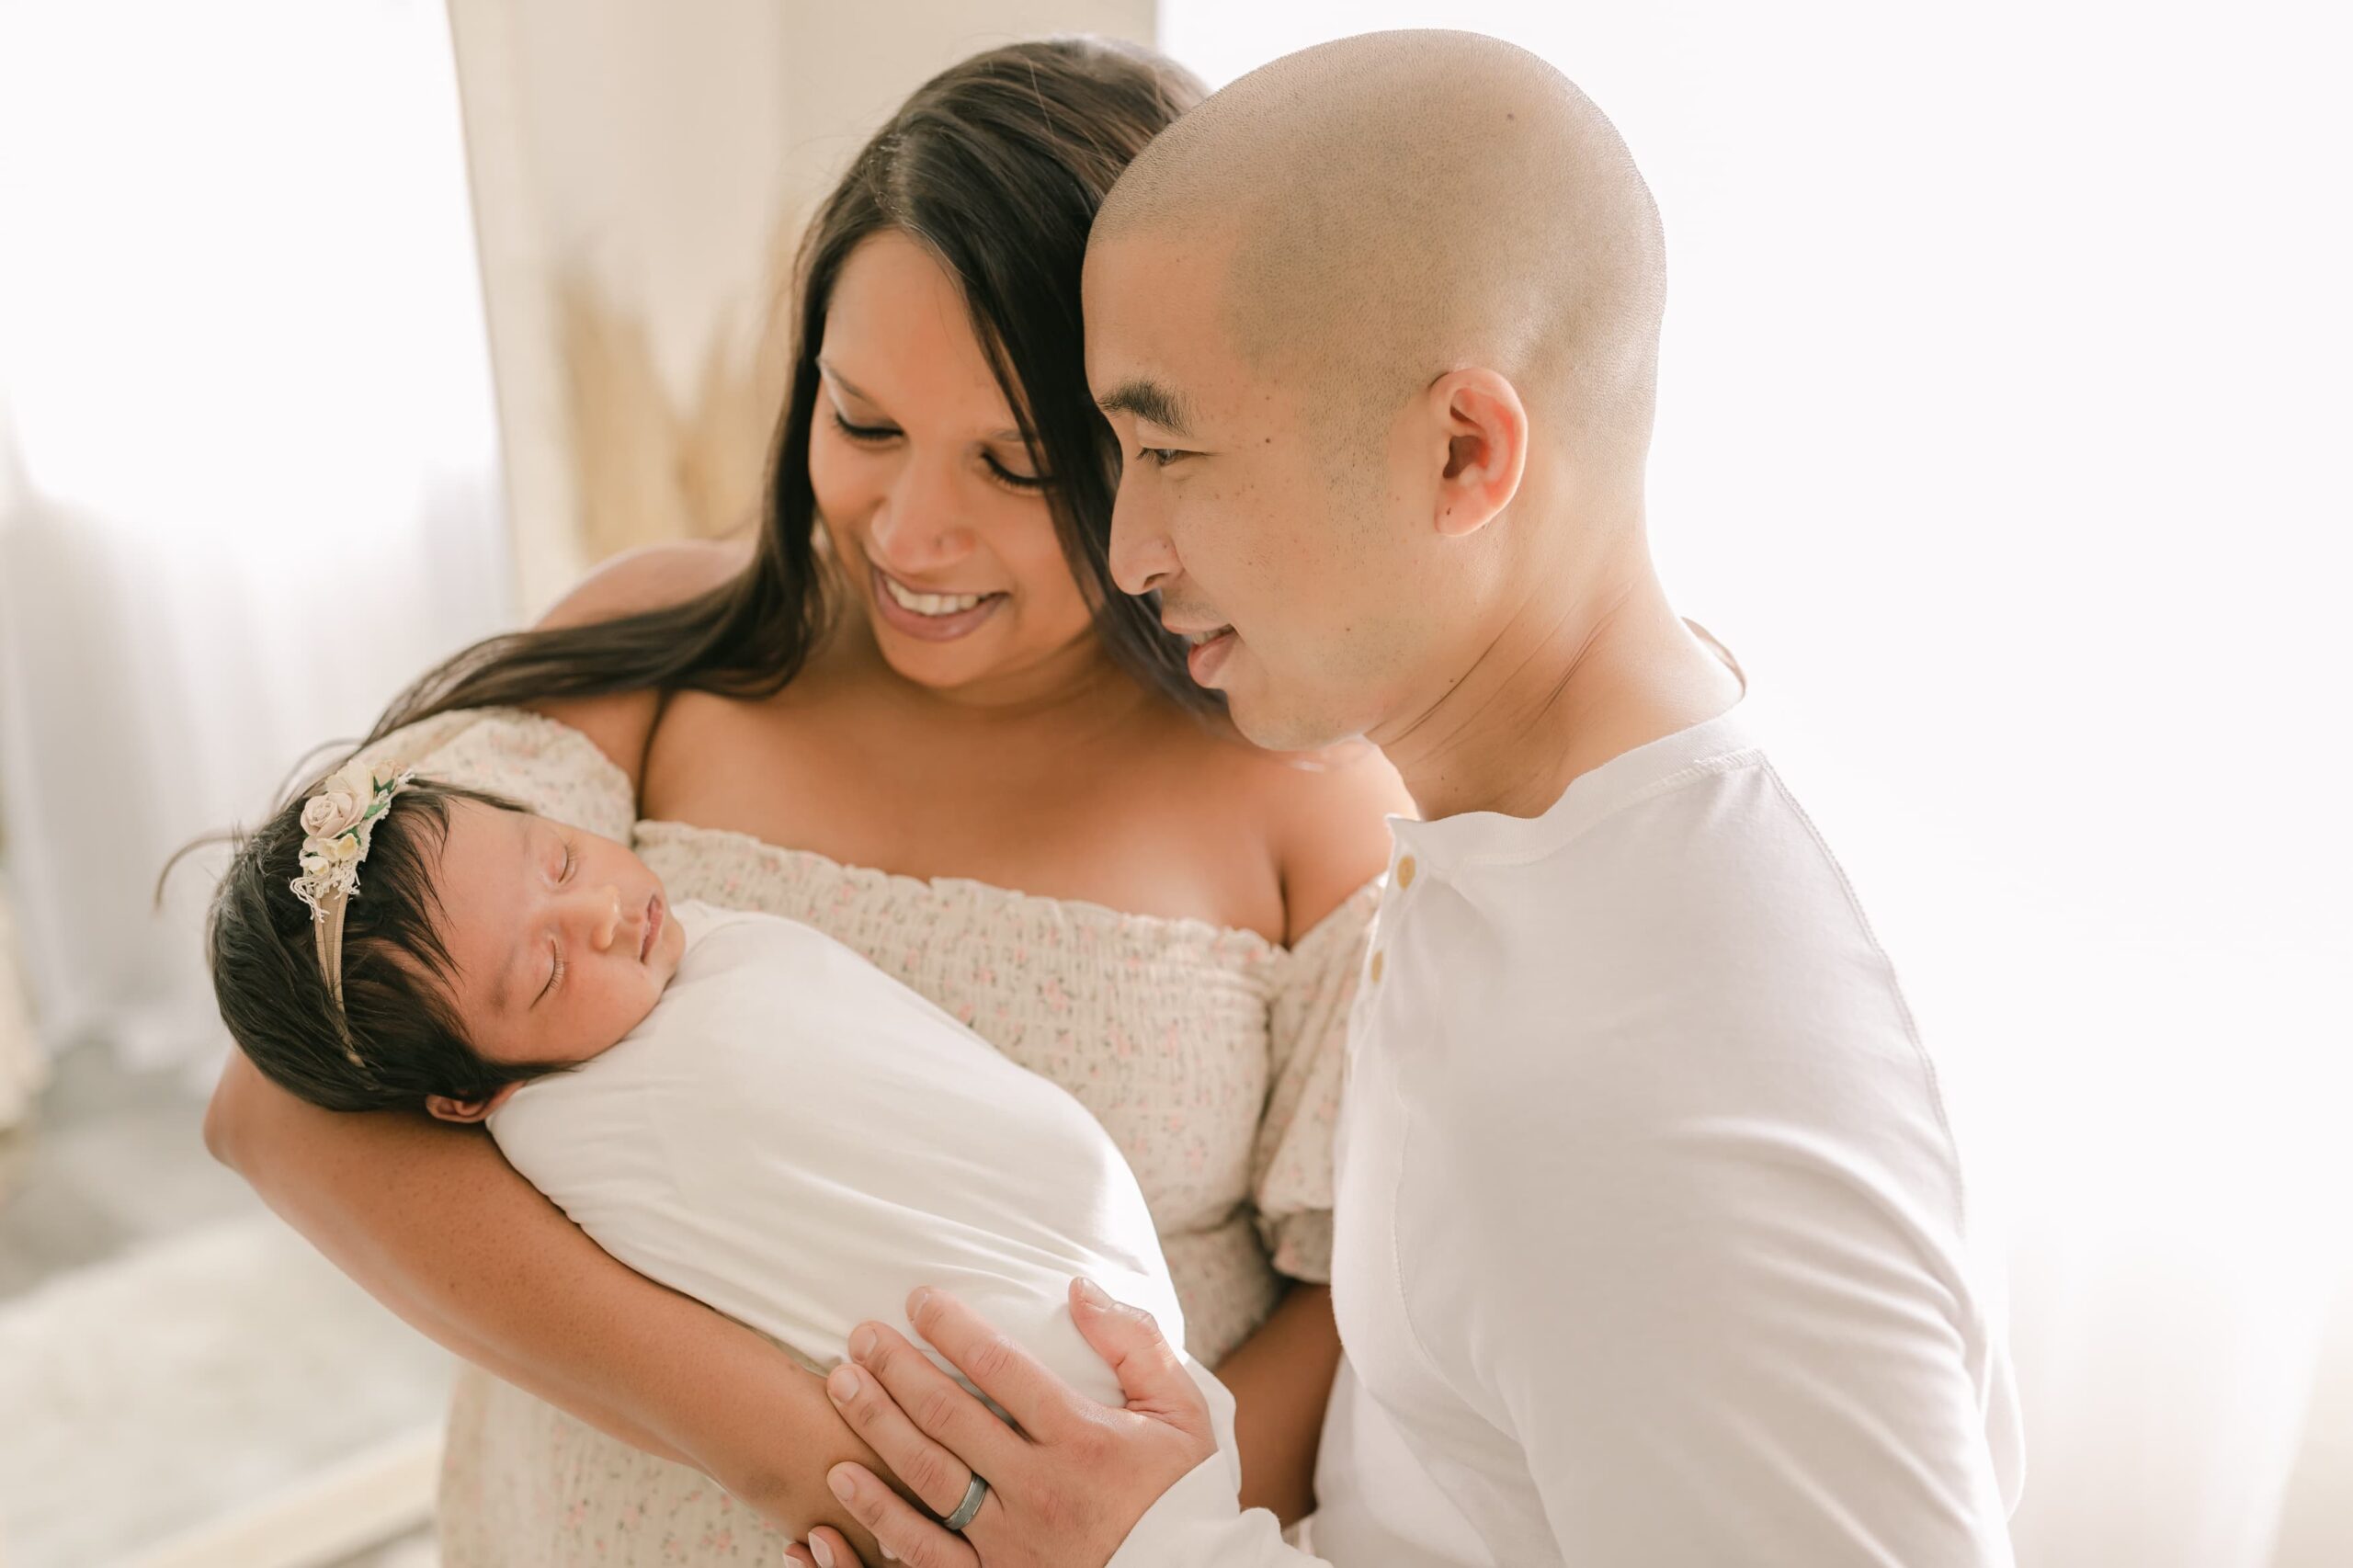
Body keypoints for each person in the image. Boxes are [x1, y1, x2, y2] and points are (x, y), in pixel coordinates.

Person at [798, 29, 2026, 1568]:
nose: (1132, 550)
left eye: (1168, 447)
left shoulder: (1661, 1080)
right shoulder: (1536, 853)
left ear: (1463, 453)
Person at [201, 36, 1408, 1563]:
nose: (910, 529)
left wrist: (1118, 1538)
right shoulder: (652, 654)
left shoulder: (1305, 793)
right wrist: (797, 1459)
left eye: (1017, 463)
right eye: (863, 421)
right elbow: (276, 1108)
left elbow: (1357, 1307)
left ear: (1159, 450)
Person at [204, 766, 1244, 1476]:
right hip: (1053, 1390)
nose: (604, 913)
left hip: (1121, 1329)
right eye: (551, 968)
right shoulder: (572, 1125)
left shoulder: (699, 954)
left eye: (560, 860)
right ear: (468, 1096)